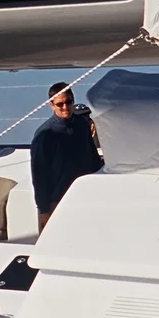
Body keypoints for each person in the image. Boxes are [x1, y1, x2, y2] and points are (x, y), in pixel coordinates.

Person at [30, 83, 102, 232]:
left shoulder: (82, 124)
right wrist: (44, 210)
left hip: (84, 195)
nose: (65, 107)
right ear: (51, 105)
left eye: (68, 102)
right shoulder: (45, 135)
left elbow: (93, 157)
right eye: (60, 104)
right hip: (58, 199)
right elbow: (39, 175)